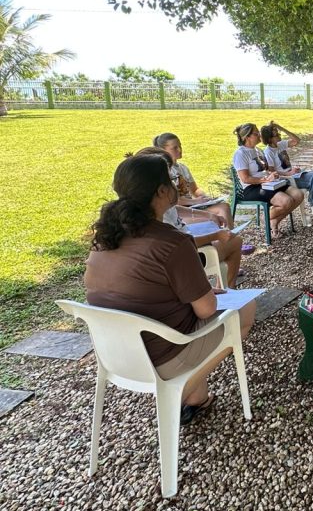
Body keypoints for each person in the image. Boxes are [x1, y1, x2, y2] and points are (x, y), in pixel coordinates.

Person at [84, 154, 256, 424]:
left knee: (186, 316)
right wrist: (205, 293)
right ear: (162, 191)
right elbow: (206, 310)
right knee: (245, 309)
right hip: (162, 355)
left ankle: (196, 398)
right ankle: (178, 392)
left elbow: (143, 288)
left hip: (115, 354)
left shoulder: (105, 238)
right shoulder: (173, 242)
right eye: (171, 179)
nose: (176, 184)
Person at [135, 146, 243, 288]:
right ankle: (229, 290)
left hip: (185, 245)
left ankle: (223, 286)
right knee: (235, 241)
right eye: (170, 178)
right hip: (188, 257)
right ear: (159, 187)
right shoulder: (157, 217)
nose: (174, 184)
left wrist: (208, 215)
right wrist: (216, 235)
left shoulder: (151, 202)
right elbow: (181, 244)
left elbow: (175, 210)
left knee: (220, 220)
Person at [152, 132, 234, 229]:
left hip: (192, 207)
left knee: (224, 207)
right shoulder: (164, 171)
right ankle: (222, 236)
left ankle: (229, 234)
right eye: (175, 148)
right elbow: (171, 201)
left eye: (180, 146)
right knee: (212, 220)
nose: (180, 150)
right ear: (163, 150)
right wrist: (194, 201)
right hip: (180, 213)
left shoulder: (182, 168)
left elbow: (194, 190)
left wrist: (204, 197)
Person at [260, 122, 313, 224]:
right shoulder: (268, 152)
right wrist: (289, 173)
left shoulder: (280, 145)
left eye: (278, 133)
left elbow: (297, 140)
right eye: (276, 134)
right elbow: (272, 172)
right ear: (270, 139)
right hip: (286, 180)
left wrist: (281, 128)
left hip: (294, 175)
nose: (279, 135)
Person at [232, 123, 304, 232]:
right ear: (247, 137)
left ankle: (274, 221)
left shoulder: (257, 150)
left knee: (299, 195)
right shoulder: (240, 154)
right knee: (286, 201)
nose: (259, 135)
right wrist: (266, 179)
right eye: (256, 133)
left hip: (269, 184)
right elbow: (245, 179)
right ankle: (263, 218)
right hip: (252, 188)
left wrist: (272, 175)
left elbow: (265, 170)